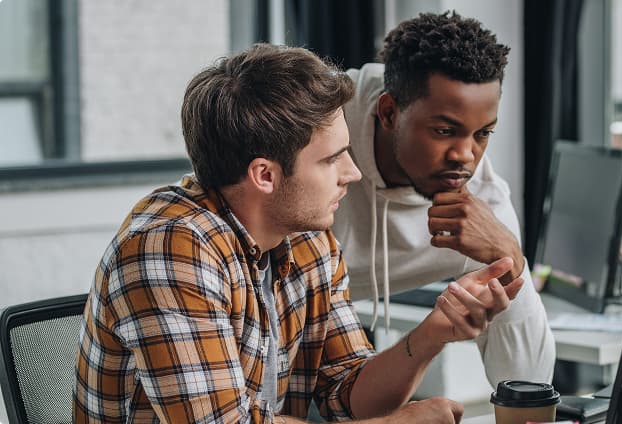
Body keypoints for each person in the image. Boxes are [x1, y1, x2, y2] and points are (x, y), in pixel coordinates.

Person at [73, 44, 523, 423]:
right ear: (264, 175)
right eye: (332, 160)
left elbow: (345, 393)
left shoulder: (306, 238)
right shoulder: (169, 250)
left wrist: (434, 332)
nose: (352, 172)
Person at [333, 11, 555, 386]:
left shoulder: (482, 201)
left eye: (482, 134)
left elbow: (527, 385)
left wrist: (512, 259)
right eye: (443, 130)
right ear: (389, 112)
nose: (465, 155)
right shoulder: (319, 128)